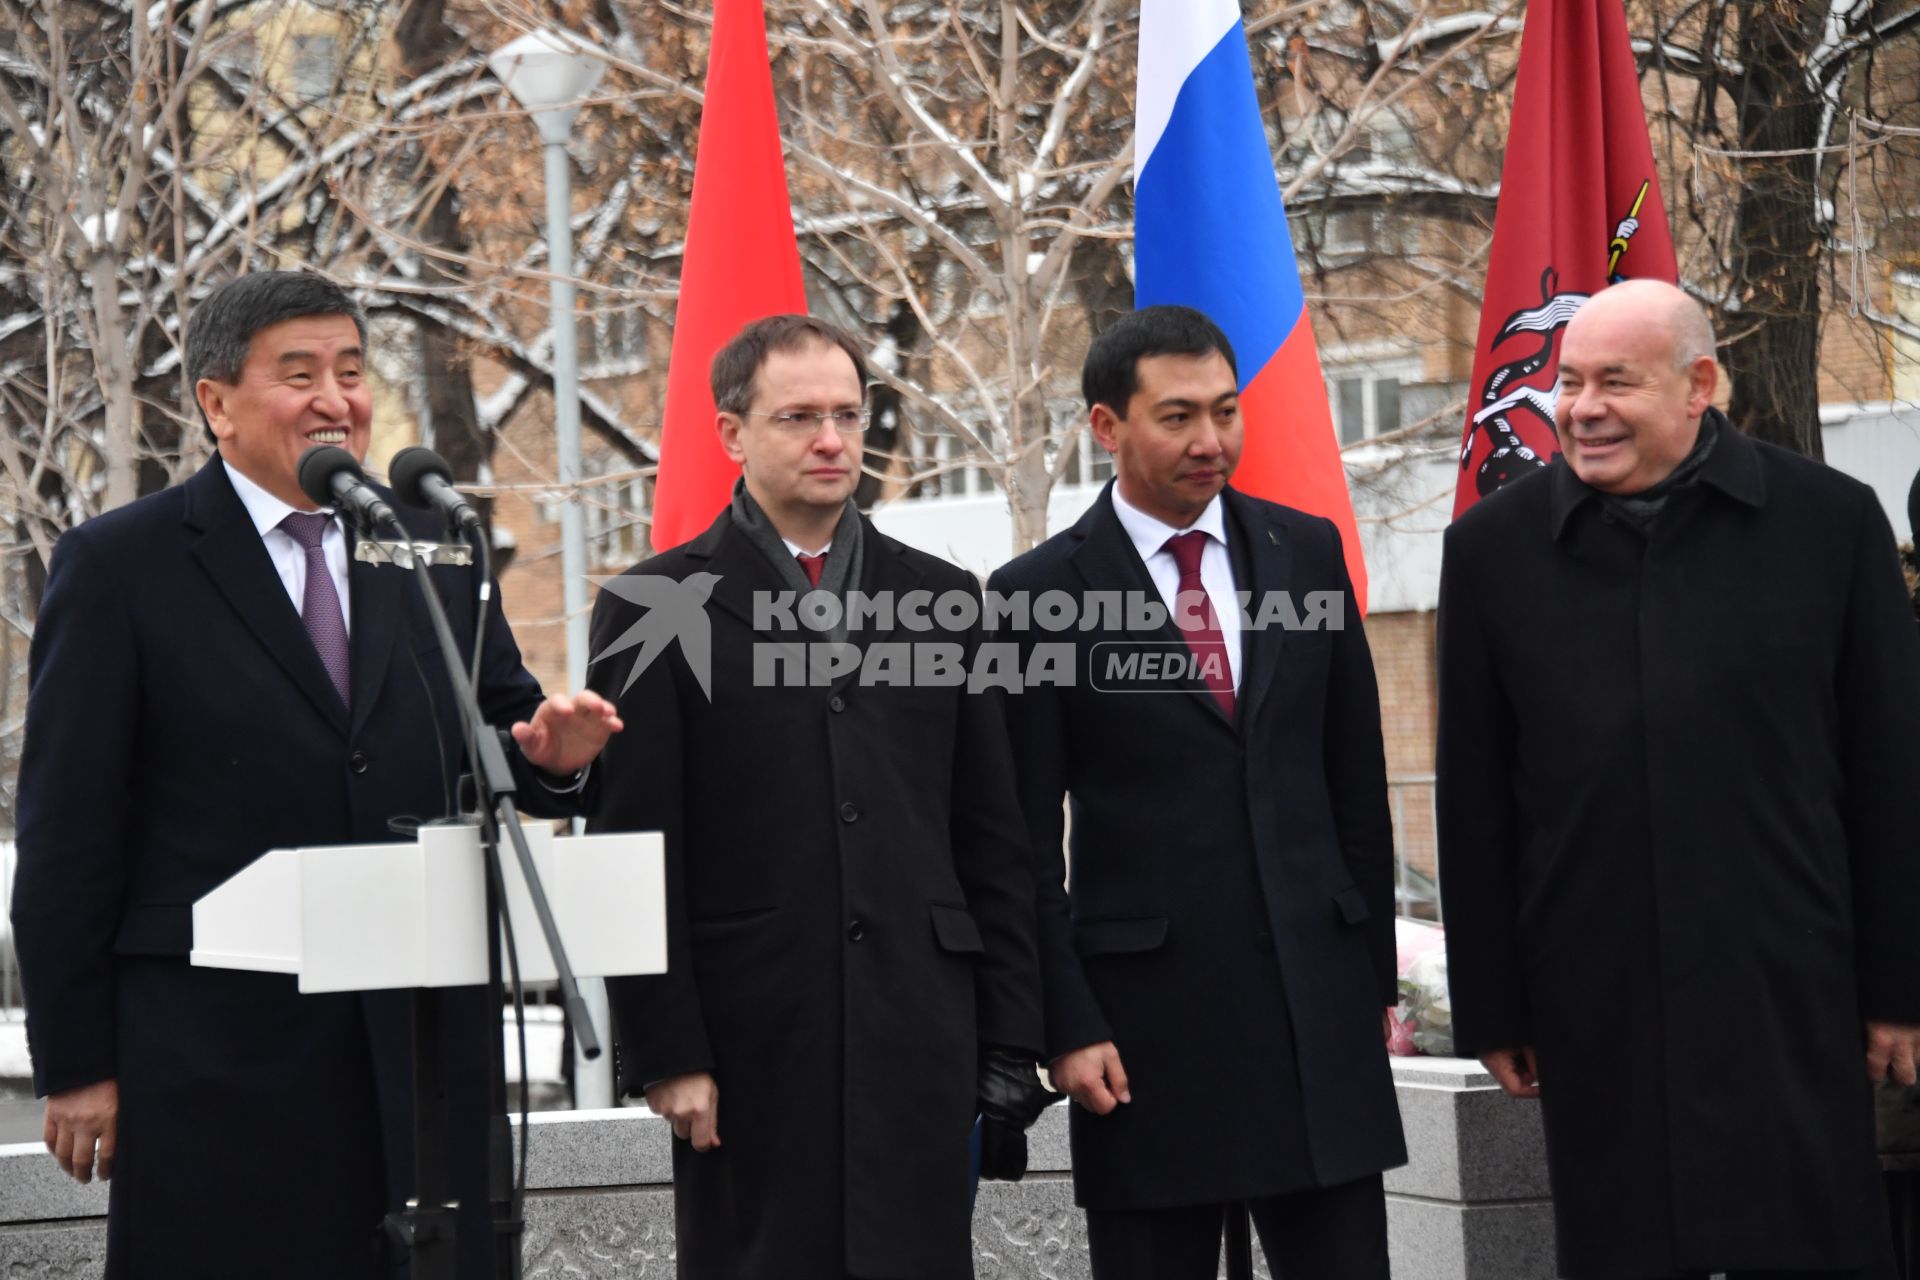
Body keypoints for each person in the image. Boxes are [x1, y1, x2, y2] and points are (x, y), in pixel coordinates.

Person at [9, 271, 622, 1279]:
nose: (336, 398)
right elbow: (70, 828)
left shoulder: (430, 547)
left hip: (420, 1053)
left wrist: (548, 754)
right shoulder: (124, 565)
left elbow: (499, 720)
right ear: (217, 402)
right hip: (220, 1060)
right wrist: (78, 1060)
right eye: (299, 374)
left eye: (350, 371)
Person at [1438, 278, 1920, 1280]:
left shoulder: (1830, 523)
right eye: (1569, 381)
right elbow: (1476, 794)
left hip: (1792, 988)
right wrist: (1494, 1004)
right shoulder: (1491, 550)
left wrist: (1898, 987)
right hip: (1595, 998)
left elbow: (1891, 772)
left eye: (1617, 380)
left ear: (1700, 384)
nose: (1581, 407)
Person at [585, 314, 1045, 1279]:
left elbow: (992, 838)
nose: (833, 439)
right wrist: (668, 1051)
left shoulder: (945, 600)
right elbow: (632, 844)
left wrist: (1008, 1037)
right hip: (752, 1046)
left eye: (848, 413)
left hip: (921, 1037)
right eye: (799, 417)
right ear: (732, 433)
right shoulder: (653, 604)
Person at [987, 305, 1406, 1279]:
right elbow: (1016, 837)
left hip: (1318, 1023)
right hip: (1142, 1037)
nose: (1210, 441)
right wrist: (1064, 1020)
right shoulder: (1032, 593)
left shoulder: (1306, 551)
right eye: (1176, 417)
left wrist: (1369, 976)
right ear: (1106, 427)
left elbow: (1354, 778)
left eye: (1226, 411)